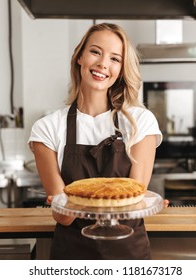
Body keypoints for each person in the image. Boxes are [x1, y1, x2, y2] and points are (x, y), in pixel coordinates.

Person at [28, 22, 165, 260]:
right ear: (80, 57)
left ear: (122, 69)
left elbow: (133, 202)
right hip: (72, 256)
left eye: (115, 58)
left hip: (128, 254)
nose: (103, 63)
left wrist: (71, 201)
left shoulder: (140, 122)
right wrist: (64, 206)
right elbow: (64, 217)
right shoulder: (47, 129)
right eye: (95, 52)